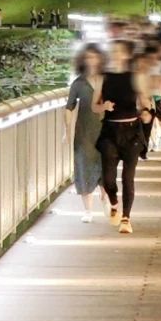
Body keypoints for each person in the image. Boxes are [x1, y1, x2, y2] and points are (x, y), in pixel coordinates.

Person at [98, 38, 154, 234]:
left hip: (131, 132)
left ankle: (126, 218)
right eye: (113, 53)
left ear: (126, 56)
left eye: (119, 53)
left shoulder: (135, 76)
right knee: (108, 179)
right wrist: (102, 107)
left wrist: (146, 112)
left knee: (127, 177)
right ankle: (113, 202)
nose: (116, 56)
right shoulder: (104, 77)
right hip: (110, 132)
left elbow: (144, 100)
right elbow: (93, 106)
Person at [65, 44, 106, 222]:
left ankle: (107, 200)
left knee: (106, 167)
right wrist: (68, 130)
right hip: (84, 132)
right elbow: (69, 107)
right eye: (88, 58)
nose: (92, 61)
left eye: (95, 57)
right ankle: (88, 210)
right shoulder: (79, 83)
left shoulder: (107, 81)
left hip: (105, 130)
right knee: (84, 167)